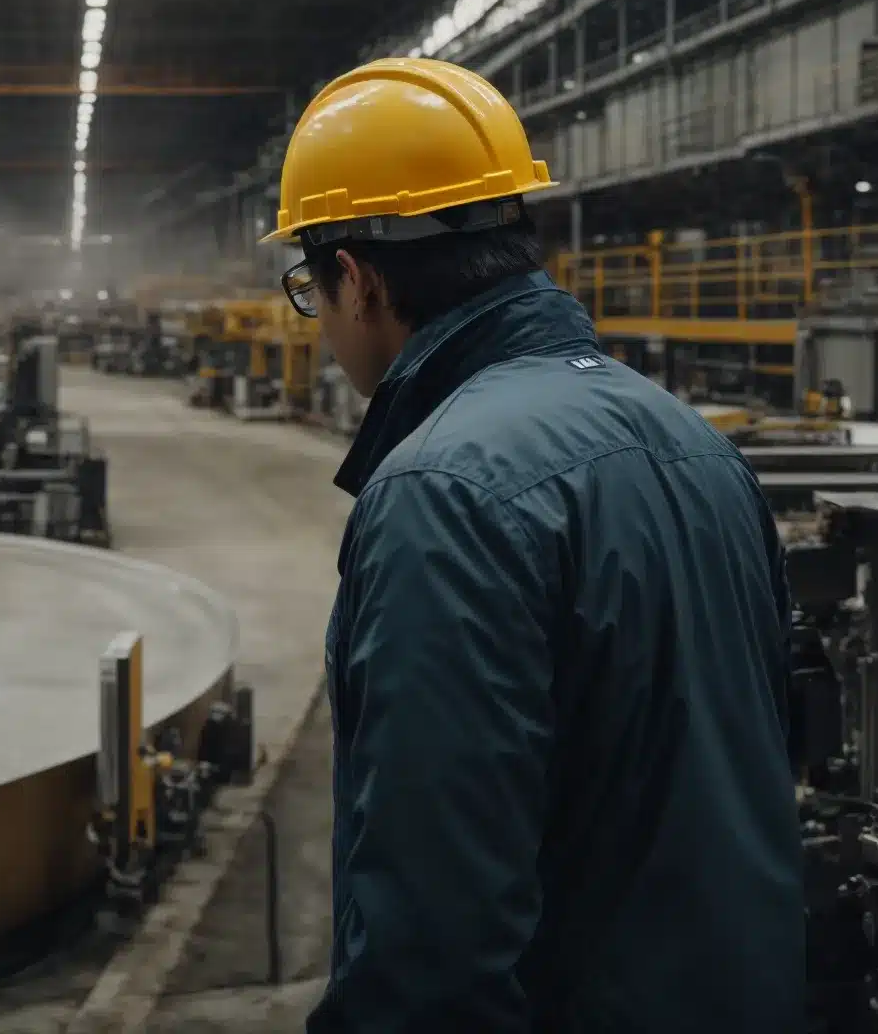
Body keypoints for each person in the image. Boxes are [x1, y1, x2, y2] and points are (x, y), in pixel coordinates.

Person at [266, 58, 802, 1033]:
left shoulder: (440, 497)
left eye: (309, 288)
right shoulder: (700, 449)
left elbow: (431, 946)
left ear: (354, 278)